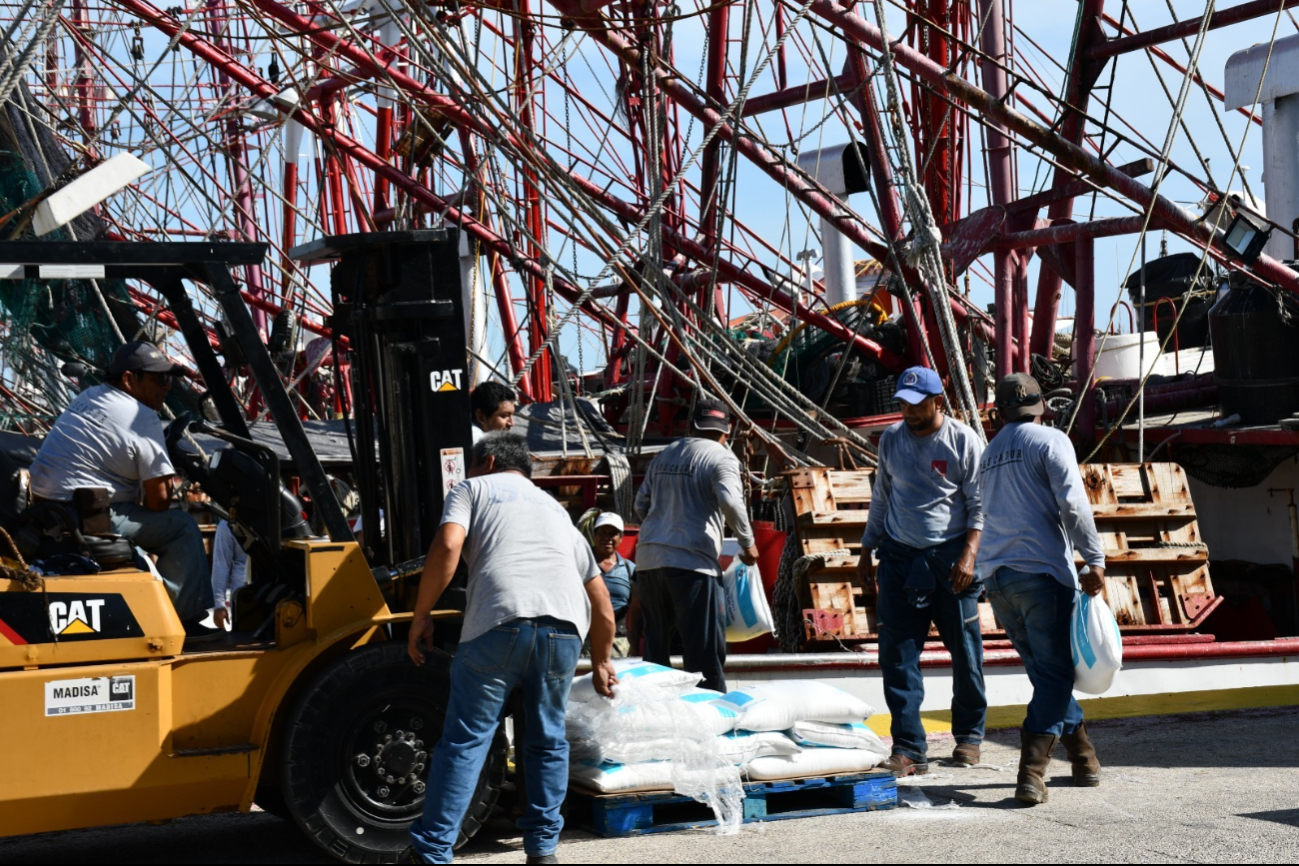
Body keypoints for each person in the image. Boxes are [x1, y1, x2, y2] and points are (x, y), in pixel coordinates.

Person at [407, 432, 617, 864]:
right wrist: (600, 662)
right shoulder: (557, 511)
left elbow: (448, 545)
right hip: (563, 632)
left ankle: (432, 853)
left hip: (498, 623)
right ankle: (542, 851)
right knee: (546, 741)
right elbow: (601, 602)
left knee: (467, 742)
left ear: (486, 462)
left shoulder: (472, 488)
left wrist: (421, 614)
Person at [29, 341, 218, 641]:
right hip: (84, 515)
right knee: (182, 528)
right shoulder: (141, 417)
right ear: (130, 379)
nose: (167, 387)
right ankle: (186, 621)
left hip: (51, 510)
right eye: (160, 378)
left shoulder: (90, 396)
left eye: (169, 378)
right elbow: (158, 503)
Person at [977, 372, 1107, 806]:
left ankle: (1084, 758)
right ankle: (1030, 773)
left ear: (1000, 413)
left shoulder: (990, 453)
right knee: (1054, 675)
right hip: (1040, 576)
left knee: (1045, 672)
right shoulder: (1050, 441)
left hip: (997, 580)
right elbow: (1073, 502)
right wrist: (1095, 559)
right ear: (1041, 406)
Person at [857, 366, 986, 776]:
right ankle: (909, 747)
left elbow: (980, 505)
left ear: (937, 400)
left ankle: (968, 737)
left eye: (916, 404)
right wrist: (866, 549)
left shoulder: (964, 440)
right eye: (902, 404)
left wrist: (969, 555)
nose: (908, 412)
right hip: (898, 558)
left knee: (965, 653)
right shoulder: (891, 440)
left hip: (951, 560)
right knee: (897, 656)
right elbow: (882, 497)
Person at [634, 398, 758, 693]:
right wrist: (747, 543)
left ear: (692, 425)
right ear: (727, 430)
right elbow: (730, 501)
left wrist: (662, 526)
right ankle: (711, 715)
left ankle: (655, 714)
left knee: (656, 650)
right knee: (702, 650)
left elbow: (641, 504)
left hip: (649, 560)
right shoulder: (722, 458)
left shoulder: (665, 454)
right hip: (692, 564)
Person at [587, 511, 634, 658]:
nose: (607, 537)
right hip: (585, 640)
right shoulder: (581, 565)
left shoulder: (630, 569)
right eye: (602, 532)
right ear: (595, 535)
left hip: (619, 643)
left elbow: (636, 609)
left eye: (613, 533)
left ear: (621, 538)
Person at [210, 520, 248, 630]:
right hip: (243, 600)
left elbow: (221, 565)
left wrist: (219, 604)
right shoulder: (227, 524)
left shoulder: (227, 524)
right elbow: (221, 565)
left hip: (243, 601)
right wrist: (219, 604)